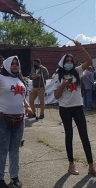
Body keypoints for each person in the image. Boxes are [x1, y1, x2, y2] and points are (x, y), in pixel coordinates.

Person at [0, 56, 33, 188]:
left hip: (20, 119)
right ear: (7, 65)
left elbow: (21, 96)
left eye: (17, 64)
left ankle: (14, 177)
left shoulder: (20, 80)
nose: (15, 66)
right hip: (2, 117)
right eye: (13, 64)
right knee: (3, 149)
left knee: (15, 149)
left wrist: (27, 106)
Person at [54, 41, 96, 176]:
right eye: (67, 60)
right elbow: (56, 96)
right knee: (69, 136)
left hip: (78, 107)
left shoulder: (77, 71)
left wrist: (81, 48)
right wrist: (62, 85)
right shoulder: (57, 76)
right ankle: (71, 164)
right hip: (65, 109)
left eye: (71, 60)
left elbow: (89, 62)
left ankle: (91, 166)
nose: (70, 62)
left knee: (84, 136)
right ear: (63, 62)